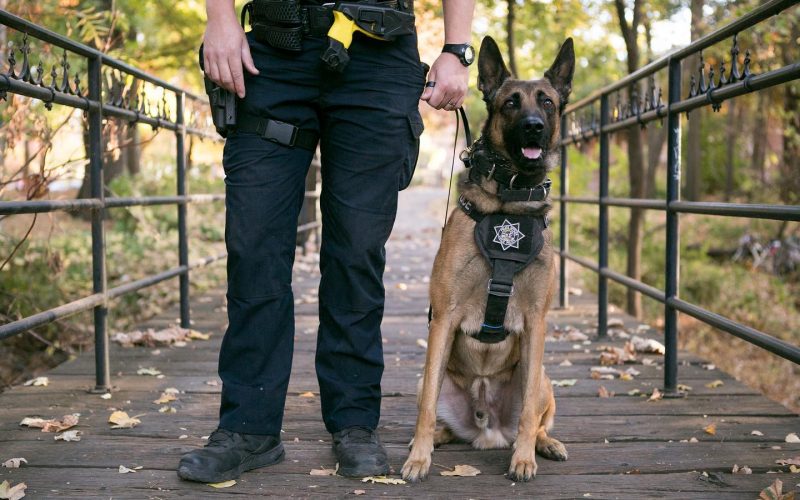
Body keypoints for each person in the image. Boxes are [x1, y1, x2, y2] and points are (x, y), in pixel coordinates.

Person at [177, 0, 475, 483]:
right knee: (253, 245)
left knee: (356, 251)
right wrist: (220, 17)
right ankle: (248, 428)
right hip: (273, 50)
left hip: (378, 54)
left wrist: (457, 48)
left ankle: (355, 424)